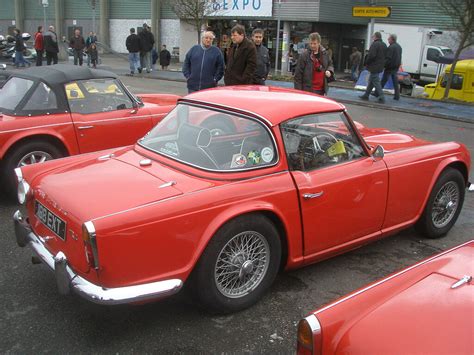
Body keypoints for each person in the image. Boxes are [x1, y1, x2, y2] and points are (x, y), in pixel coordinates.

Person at [359, 31, 387, 103]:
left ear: (376, 37)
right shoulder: (384, 45)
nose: (372, 38)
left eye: (373, 36)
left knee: (376, 81)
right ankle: (366, 95)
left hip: (374, 65)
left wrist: (366, 62)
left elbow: (371, 55)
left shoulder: (375, 44)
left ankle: (381, 97)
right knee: (371, 81)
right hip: (380, 65)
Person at [380, 34, 402, 100]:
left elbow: (388, 58)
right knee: (395, 81)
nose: (388, 40)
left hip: (390, 66)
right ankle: (397, 95)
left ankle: (377, 92)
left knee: (384, 80)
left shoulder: (391, 47)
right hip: (396, 66)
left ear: (392, 39)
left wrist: (384, 65)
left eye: (389, 39)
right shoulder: (399, 47)